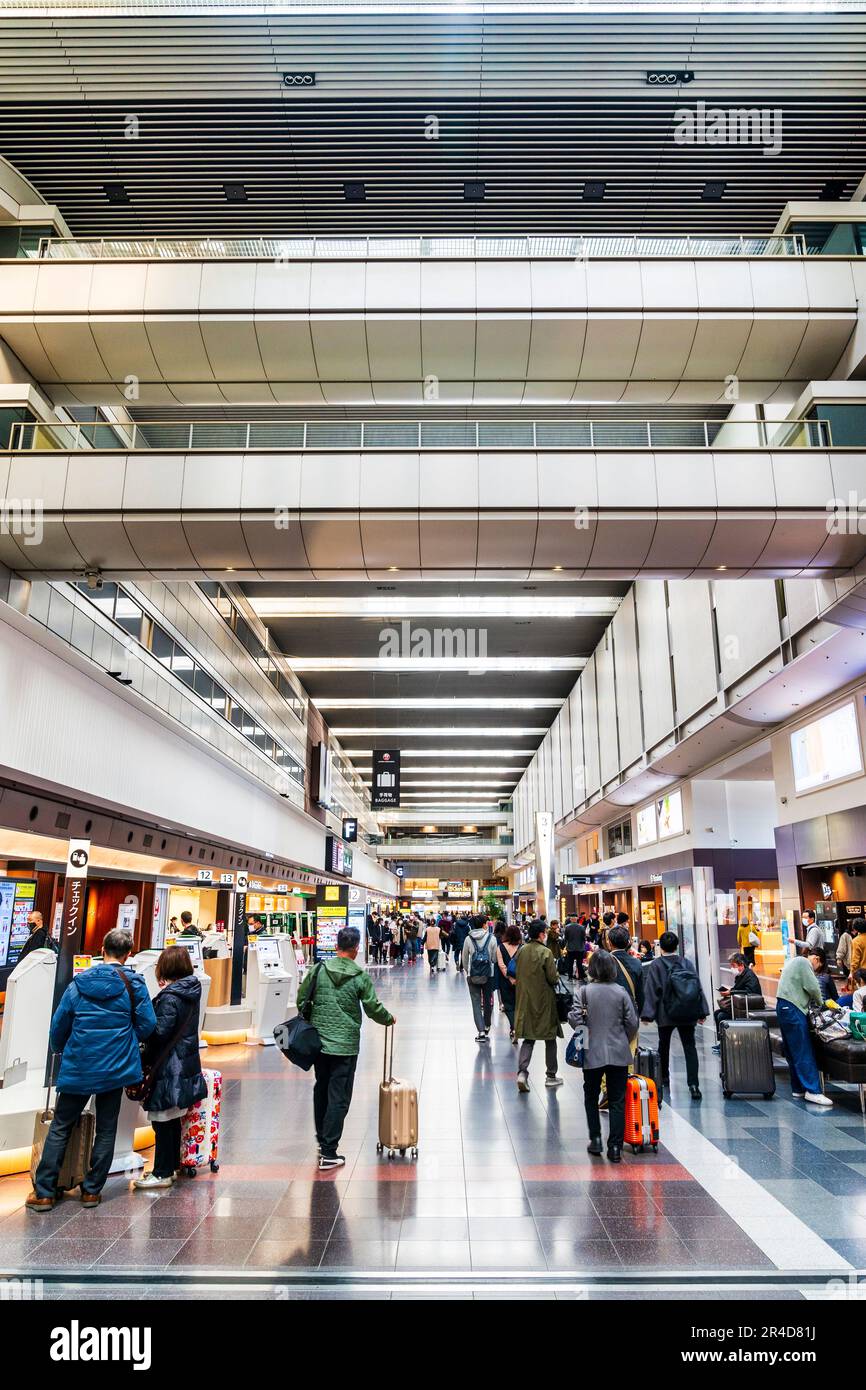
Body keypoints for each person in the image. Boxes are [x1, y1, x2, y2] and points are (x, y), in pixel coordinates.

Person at [26, 928, 157, 1212]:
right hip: (115, 1067)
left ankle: (45, 1191)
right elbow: (147, 1024)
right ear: (129, 954)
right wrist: (125, 1039)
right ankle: (92, 1191)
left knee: (61, 1126)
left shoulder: (78, 983)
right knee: (106, 1128)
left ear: (102, 948)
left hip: (79, 1066)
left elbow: (59, 1026)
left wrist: (60, 1048)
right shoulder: (133, 984)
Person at [296, 926, 394, 1169]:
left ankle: (322, 1142)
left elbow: (301, 999)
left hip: (319, 1042)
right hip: (345, 1045)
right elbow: (372, 1008)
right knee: (339, 1097)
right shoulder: (359, 976)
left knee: (322, 1089)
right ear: (357, 948)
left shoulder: (319, 969)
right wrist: (388, 1018)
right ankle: (329, 1152)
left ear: (336, 945)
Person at [134, 945, 207, 1190]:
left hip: (168, 1067)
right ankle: (171, 1166)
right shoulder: (190, 991)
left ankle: (162, 1172)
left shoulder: (170, 997)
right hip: (183, 1063)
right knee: (173, 1118)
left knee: (162, 1120)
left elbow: (159, 1034)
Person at [569, 949, 639, 1163]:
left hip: (591, 1053)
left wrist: (586, 1033)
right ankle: (615, 1147)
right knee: (617, 1099)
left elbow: (574, 1018)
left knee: (590, 1096)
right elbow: (632, 1023)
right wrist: (622, 1039)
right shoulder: (621, 992)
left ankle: (596, 1139)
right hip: (618, 1052)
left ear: (592, 969)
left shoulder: (583, 992)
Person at [641, 931, 709, 1101]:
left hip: (666, 1013)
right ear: (677, 946)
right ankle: (693, 1085)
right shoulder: (686, 963)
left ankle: (664, 1078)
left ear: (661, 947)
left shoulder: (657, 965)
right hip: (687, 1013)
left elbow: (652, 990)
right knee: (690, 1047)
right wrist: (702, 1011)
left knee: (663, 1045)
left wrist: (648, 1015)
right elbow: (697, 988)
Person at [775, 952, 832, 1106]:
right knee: (803, 1050)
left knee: (792, 1051)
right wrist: (823, 1003)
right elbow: (813, 987)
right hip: (793, 1008)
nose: (815, 969)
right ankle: (813, 1091)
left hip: (783, 1007)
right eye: (817, 967)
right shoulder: (803, 962)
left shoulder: (793, 962)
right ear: (817, 959)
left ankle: (798, 1088)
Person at [514, 920, 563, 1092]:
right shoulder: (546, 952)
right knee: (550, 1038)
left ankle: (522, 1073)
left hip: (525, 1000)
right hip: (544, 1002)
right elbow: (553, 978)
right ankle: (551, 1075)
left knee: (529, 1038)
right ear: (542, 934)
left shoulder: (522, 950)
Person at [712, 951, 764, 1050]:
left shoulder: (749, 975)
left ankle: (725, 1044)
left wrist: (731, 992)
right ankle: (722, 1042)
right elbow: (739, 989)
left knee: (721, 1016)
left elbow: (750, 991)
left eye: (733, 965)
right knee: (717, 1013)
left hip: (748, 1008)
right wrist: (730, 991)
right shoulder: (741, 976)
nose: (732, 968)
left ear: (741, 965)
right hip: (740, 1007)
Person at [462, 913, 498, 1041]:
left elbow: (464, 959)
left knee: (476, 1003)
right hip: (489, 975)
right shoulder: (491, 938)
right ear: (484, 925)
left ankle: (481, 1031)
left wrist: (468, 971)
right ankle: (487, 1024)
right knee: (487, 1001)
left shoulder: (468, 939)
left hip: (473, 975)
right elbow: (494, 958)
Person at [608, 923, 644, 1017]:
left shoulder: (604, 961)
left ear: (610, 943)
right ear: (628, 942)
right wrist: (641, 1012)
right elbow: (640, 992)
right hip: (629, 1009)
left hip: (609, 1008)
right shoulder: (636, 963)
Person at [497, 923, 522, 1042]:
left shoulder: (500, 947)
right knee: (518, 1006)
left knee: (508, 1006)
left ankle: (514, 1028)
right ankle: (516, 1028)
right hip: (521, 982)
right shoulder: (522, 948)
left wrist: (509, 978)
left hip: (505, 982)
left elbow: (501, 965)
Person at [563, 915, 586, 980]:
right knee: (579, 963)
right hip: (580, 948)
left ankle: (570, 977)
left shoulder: (567, 927)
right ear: (576, 919)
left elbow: (566, 938)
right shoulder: (581, 927)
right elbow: (584, 938)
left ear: (570, 920)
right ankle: (581, 977)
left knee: (570, 963)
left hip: (570, 948)